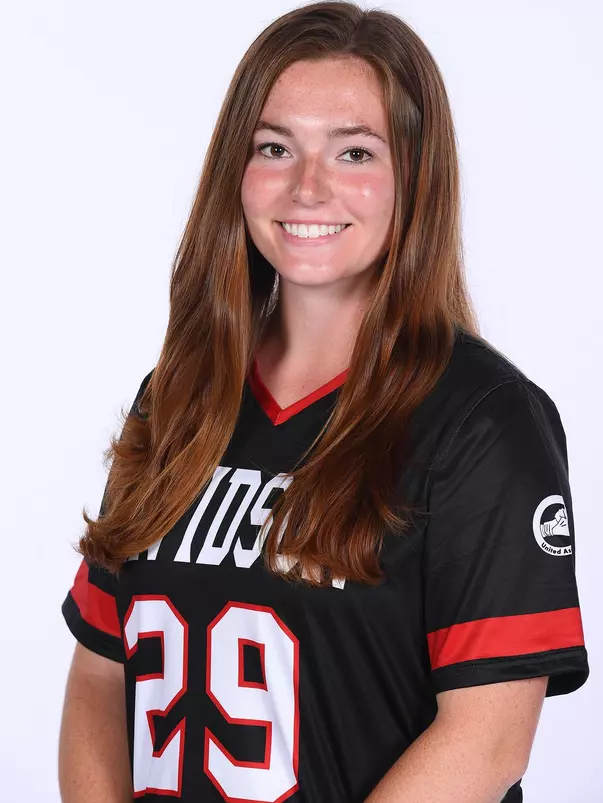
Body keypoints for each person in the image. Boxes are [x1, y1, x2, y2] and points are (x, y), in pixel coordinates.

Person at [57, 2, 589, 802]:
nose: (308, 186)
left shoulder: (482, 420)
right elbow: (100, 675)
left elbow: (486, 741)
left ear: (415, 176)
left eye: (353, 152)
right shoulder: (176, 400)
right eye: (274, 147)